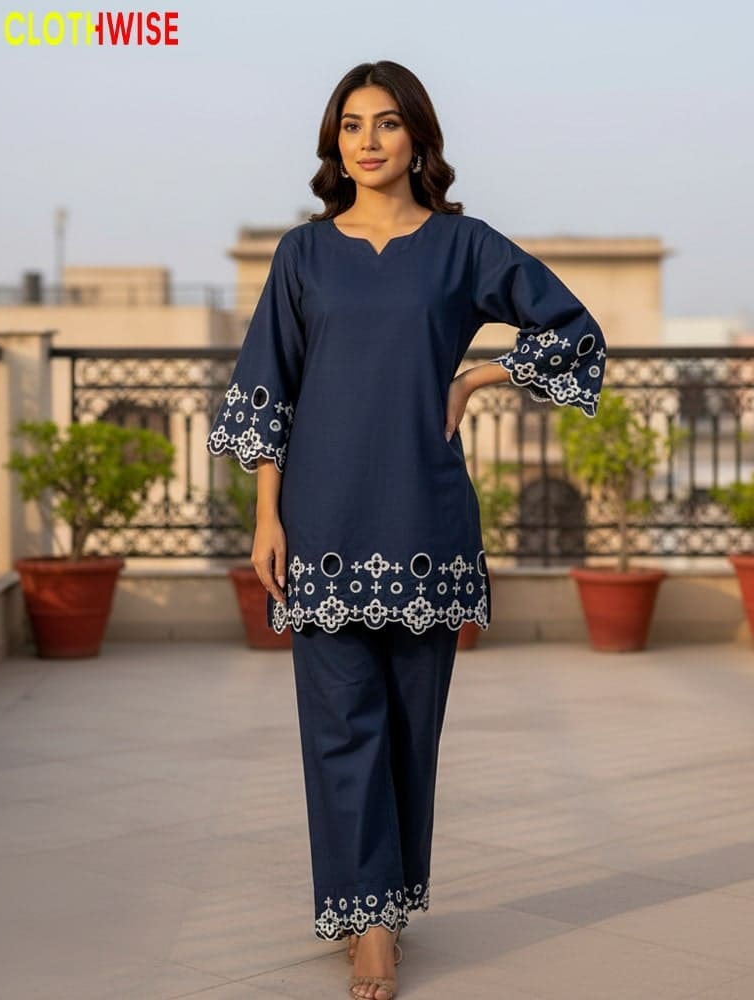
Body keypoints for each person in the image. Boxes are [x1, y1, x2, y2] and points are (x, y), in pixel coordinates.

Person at [207, 60, 606, 1000]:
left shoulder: (463, 247)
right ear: (333, 143)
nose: (369, 141)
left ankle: (385, 900)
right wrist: (266, 515)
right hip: (321, 519)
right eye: (351, 125)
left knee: (408, 732)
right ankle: (370, 926)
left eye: (386, 123)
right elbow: (269, 387)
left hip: (426, 517)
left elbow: (575, 333)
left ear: (417, 136)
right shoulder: (304, 256)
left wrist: (478, 376)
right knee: (339, 725)